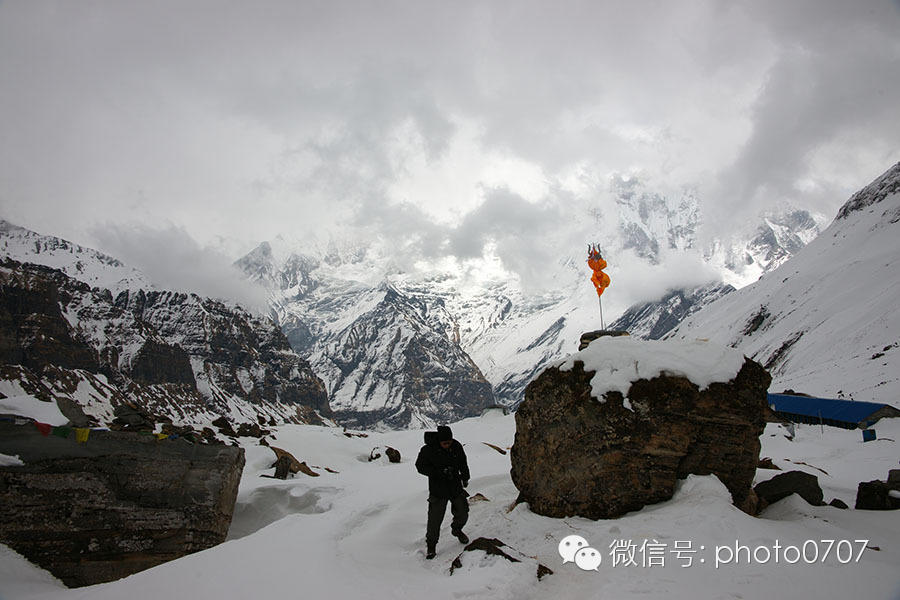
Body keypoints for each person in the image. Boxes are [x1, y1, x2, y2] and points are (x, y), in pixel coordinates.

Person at [415, 425, 470, 559]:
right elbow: (420, 466)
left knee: (463, 512)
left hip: (455, 485)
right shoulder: (428, 450)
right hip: (438, 489)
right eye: (445, 443)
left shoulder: (456, 446)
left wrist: (465, 476)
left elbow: (463, 462)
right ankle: (431, 546)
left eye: (449, 442)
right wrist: (438, 473)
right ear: (439, 441)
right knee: (435, 519)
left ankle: (457, 530)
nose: (447, 444)